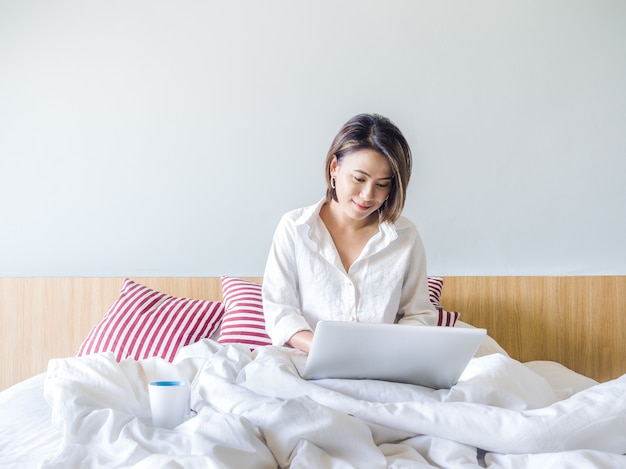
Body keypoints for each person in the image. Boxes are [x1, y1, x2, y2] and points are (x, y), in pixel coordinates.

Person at [262, 113, 438, 353]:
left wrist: (389, 351)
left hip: (383, 369)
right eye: (359, 178)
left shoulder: (405, 237)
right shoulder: (294, 228)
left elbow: (418, 314)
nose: (367, 195)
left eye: (382, 184)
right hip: (305, 363)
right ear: (335, 167)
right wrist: (325, 349)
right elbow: (280, 312)